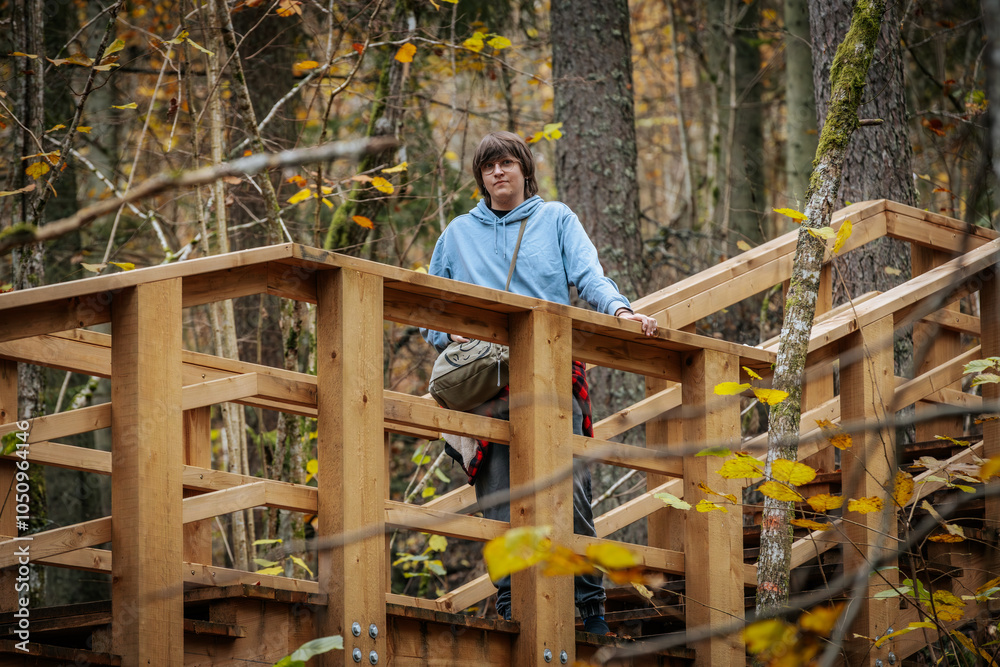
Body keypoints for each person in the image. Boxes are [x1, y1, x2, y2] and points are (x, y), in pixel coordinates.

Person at [420, 131, 657, 635]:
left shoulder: (557, 218)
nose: (498, 173)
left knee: (571, 494)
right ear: (480, 178)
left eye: (507, 163)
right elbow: (427, 308)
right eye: (489, 167)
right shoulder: (458, 233)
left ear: (524, 169)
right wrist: (448, 332)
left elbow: (589, 275)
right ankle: (513, 609)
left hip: (551, 374)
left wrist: (620, 309)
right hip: (487, 383)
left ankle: (589, 612)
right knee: (499, 501)